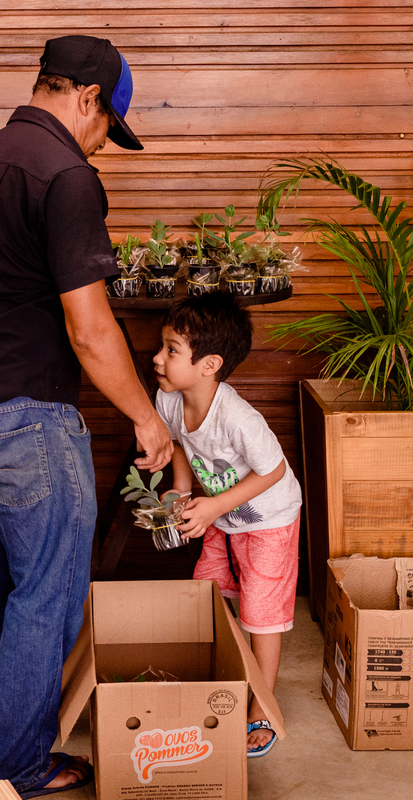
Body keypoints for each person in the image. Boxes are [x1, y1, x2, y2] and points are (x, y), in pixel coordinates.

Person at [0, 35, 173, 799]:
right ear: (88, 98)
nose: (102, 145)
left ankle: (11, 739)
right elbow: (90, 329)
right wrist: (147, 419)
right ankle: (20, 766)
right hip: (23, 417)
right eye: (106, 128)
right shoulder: (66, 175)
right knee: (48, 594)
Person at [152, 291, 302, 758]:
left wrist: (214, 508)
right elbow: (178, 444)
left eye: (171, 350)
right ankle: (229, 675)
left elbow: (273, 470)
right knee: (210, 593)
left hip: (269, 519)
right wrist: (179, 490)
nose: (157, 358)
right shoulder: (169, 398)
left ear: (209, 364)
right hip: (224, 511)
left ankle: (263, 703)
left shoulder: (238, 417)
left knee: (260, 612)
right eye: (163, 346)